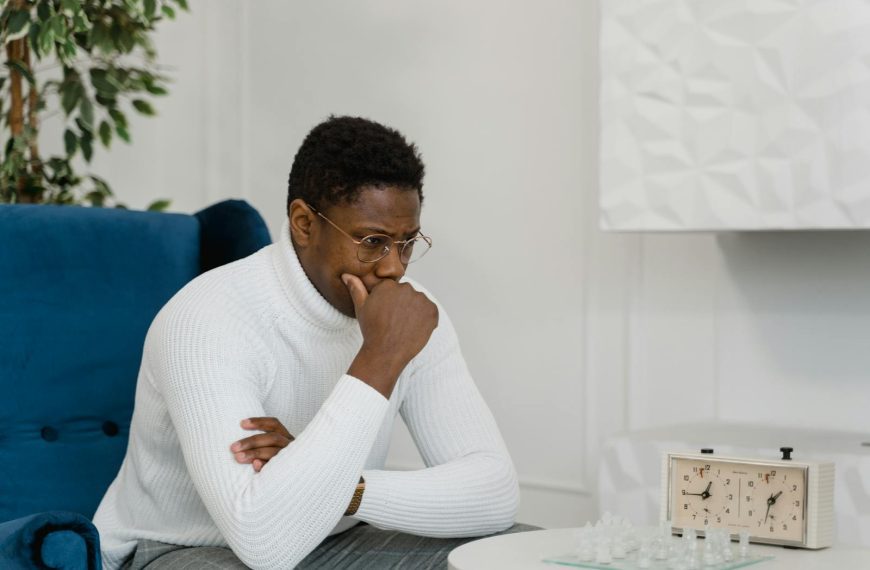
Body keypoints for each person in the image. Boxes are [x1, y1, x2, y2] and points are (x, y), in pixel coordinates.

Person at [94, 116, 531, 569]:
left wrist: (344, 488)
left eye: (406, 242)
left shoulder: (411, 316)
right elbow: (263, 540)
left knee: (516, 556)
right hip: (182, 549)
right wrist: (380, 357)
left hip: (334, 535)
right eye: (373, 241)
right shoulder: (207, 319)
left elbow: (495, 493)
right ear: (304, 223)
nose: (395, 268)